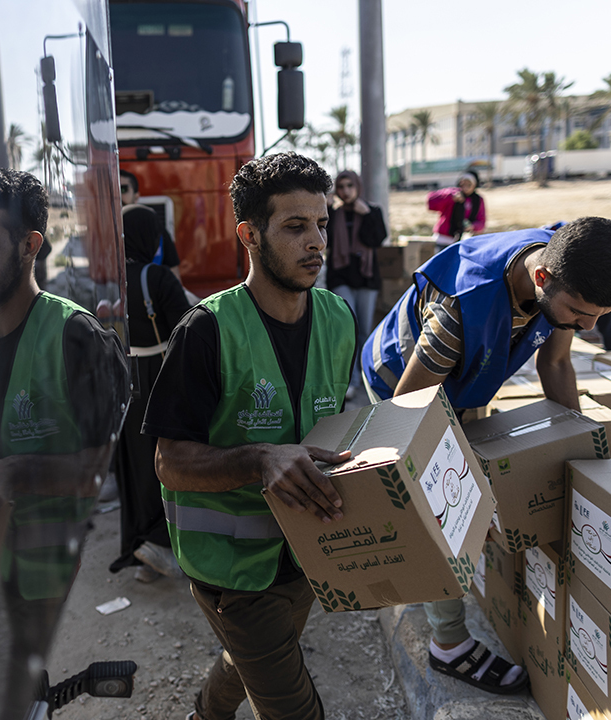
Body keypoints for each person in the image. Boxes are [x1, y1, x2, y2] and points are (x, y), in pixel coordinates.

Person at [362, 216, 611, 695]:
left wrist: (578, 449)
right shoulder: (460, 311)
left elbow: (554, 362)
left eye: (603, 315)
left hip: (462, 381)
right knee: (441, 507)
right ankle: (447, 644)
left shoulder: (563, 265)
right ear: (541, 280)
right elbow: (407, 419)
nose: (589, 327)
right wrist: (459, 486)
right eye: (580, 313)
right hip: (403, 387)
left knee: (469, 497)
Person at [144, 152, 357, 720]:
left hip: (307, 552)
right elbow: (169, 462)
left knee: (252, 660)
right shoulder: (206, 329)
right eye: (294, 227)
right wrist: (261, 458)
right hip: (232, 568)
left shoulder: (338, 318)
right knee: (291, 704)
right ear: (250, 234)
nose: (316, 242)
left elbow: (333, 422)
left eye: (321, 223)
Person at [0, 168, 127, 718]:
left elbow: (100, 469)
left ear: (29, 244)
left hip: (47, 558)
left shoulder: (79, 337)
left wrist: (17, 472)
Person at [110, 204, 191, 583]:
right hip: (158, 374)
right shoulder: (156, 277)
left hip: (122, 380)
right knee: (167, 462)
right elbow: (185, 328)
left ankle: (142, 550)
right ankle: (162, 544)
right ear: (150, 237)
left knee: (134, 466)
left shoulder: (109, 280)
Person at [325, 170, 388, 397]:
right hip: (341, 276)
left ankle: (365, 376)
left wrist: (368, 215)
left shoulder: (372, 210)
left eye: (350, 185)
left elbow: (377, 239)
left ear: (357, 186)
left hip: (366, 278)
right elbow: (324, 240)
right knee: (348, 326)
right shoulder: (333, 214)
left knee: (364, 331)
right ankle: (351, 380)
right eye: (341, 186)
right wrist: (325, 210)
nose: (345, 190)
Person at [120, 168, 182, 282]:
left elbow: (175, 275)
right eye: (112, 191)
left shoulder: (154, 227)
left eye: (123, 189)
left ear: (136, 196)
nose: (117, 195)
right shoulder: (102, 231)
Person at [428, 171, 485, 251]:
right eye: (463, 183)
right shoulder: (452, 193)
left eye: (469, 184)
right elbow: (430, 201)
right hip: (444, 239)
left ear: (474, 185)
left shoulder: (478, 200)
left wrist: (472, 226)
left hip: (464, 240)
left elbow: (482, 222)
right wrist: (450, 197)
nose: (466, 186)